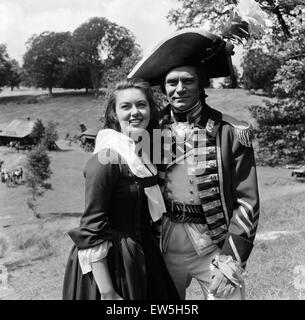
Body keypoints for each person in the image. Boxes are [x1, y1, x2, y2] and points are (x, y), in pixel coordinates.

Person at [128, 28, 260, 300]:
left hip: (214, 247)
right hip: (164, 245)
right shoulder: (151, 133)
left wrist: (231, 258)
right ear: (163, 89)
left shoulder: (230, 132)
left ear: (201, 85)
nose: (179, 89)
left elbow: (247, 202)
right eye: (172, 82)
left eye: (187, 81)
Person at [62, 79, 180, 300]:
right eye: (126, 106)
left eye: (141, 105)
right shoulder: (106, 159)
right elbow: (91, 228)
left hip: (144, 257)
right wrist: (107, 292)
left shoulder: (142, 155)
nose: (135, 112)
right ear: (114, 114)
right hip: (113, 266)